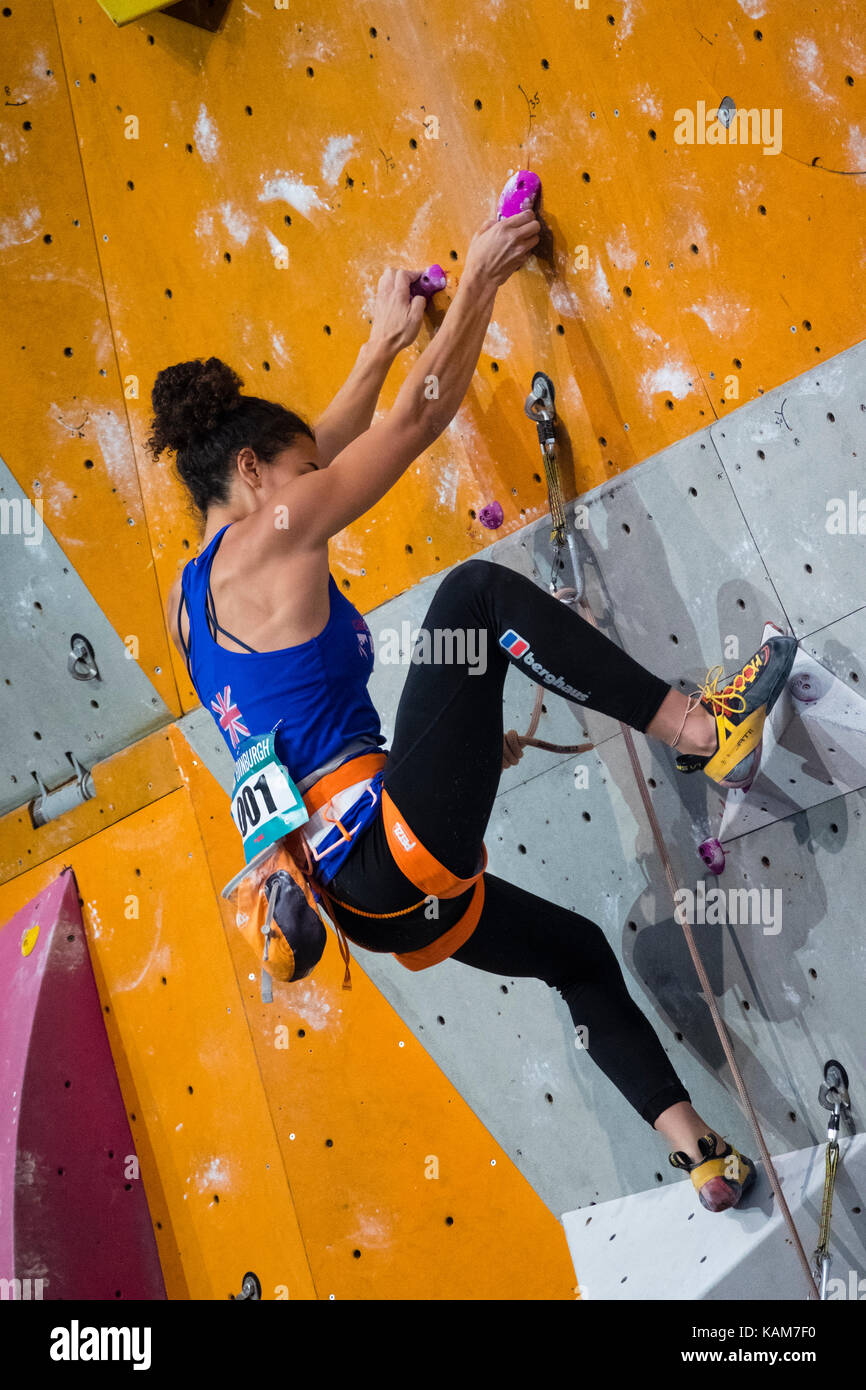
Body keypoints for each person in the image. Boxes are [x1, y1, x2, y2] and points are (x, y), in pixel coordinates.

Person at [151, 206, 797, 1213]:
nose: (316, 481)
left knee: (577, 954)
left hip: (369, 893)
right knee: (473, 599)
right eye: (298, 473)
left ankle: (701, 1156)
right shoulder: (271, 530)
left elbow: (324, 440)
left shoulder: (190, 602)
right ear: (251, 477)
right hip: (387, 839)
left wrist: (379, 341)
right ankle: (701, 733)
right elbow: (407, 425)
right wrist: (486, 273)